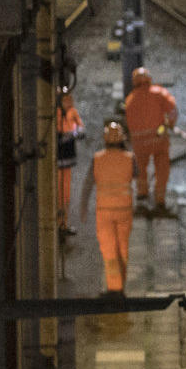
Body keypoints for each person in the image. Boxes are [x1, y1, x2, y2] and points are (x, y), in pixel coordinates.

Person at [81, 121, 137, 295]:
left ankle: (114, 289)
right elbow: (138, 176)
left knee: (109, 250)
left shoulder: (98, 159)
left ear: (105, 139)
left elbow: (88, 184)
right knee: (122, 250)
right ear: (122, 140)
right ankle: (121, 286)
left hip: (104, 211)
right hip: (124, 210)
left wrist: (83, 207)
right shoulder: (129, 159)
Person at [125, 66, 180, 215]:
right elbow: (173, 111)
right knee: (162, 169)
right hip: (159, 139)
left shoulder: (130, 100)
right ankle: (160, 201)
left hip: (139, 143)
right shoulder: (159, 93)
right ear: (149, 79)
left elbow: (129, 123)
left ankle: (142, 198)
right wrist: (169, 125)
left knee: (141, 171)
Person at [55, 82, 85, 239]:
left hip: (67, 160)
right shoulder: (55, 114)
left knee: (65, 195)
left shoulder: (72, 112)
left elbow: (81, 129)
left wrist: (72, 134)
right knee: (57, 194)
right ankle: (57, 225)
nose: (71, 102)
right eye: (67, 99)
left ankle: (63, 224)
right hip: (57, 161)